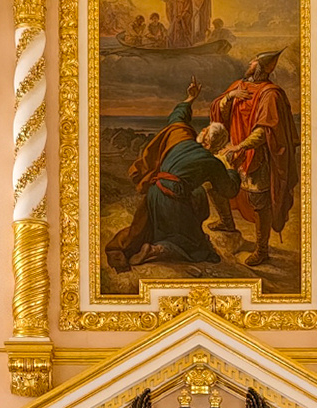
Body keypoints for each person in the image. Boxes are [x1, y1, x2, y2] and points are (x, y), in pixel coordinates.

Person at [105, 93, 242, 273]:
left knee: (150, 227)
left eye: (205, 129)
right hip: (173, 199)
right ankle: (157, 250)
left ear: (204, 136)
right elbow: (229, 190)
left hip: (154, 194)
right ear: (216, 145)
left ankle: (151, 242)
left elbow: (176, 119)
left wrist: (190, 99)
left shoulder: (181, 138)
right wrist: (232, 170)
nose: (201, 130)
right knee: (196, 245)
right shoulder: (212, 163)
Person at [207, 50, 297, 266]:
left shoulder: (271, 94)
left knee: (259, 203)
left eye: (253, 62)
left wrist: (240, 146)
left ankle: (262, 250)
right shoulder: (239, 86)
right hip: (234, 150)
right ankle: (227, 222)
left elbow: (264, 131)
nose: (249, 63)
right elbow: (219, 110)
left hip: (257, 156)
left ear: (260, 68)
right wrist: (230, 97)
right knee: (212, 182)